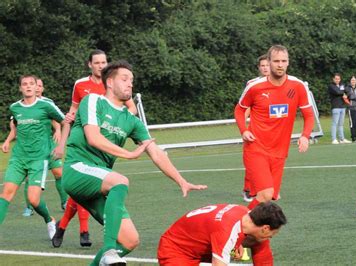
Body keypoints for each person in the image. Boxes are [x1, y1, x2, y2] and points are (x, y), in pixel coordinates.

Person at [57, 60, 207, 265]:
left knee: (130, 240)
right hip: (77, 170)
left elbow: (155, 152)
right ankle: (109, 250)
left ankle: (108, 255)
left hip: (99, 181)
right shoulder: (93, 101)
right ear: (109, 82)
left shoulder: (132, 121)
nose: (130, 84)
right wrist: (128, 154)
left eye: (132, 81)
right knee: (120, 181)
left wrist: (180, 180)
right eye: (124, 79)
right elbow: (93, 137)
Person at [52, 49, 138, 248]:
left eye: (104, 62)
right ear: (89, 65)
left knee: (83, 193)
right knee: (82, 190)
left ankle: (64, 227)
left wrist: (118, 121)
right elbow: (71, 114)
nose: (101, 65)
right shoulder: (81, 85)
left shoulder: (118, 83)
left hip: (104, 150)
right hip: (85, 146)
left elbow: (130, 108)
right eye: (97, 62)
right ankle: (82, 232)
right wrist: (62, 144)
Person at [234, 45, 314, 210]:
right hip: (256, 148)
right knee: (266, 194)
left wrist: (305, 135)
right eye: (276, 61)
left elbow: (309, 114)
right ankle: (239, 224)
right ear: (268, 63)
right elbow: (239, 109)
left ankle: (246, 227)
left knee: (269, 199)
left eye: (283, 61)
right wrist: (244, 130)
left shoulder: (298, 86)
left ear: (288, 63)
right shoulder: (255, 87)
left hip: (279, 152)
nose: (280, 64)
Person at [0, 75, 66, 240]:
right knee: (6, 193)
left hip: (39, 159)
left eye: (32, 84)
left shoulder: (46, 105)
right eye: (24, 84)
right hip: (18, 158)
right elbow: (15, 126)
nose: (28, 86)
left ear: (38, 87)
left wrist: (61, 144)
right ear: (20, 88)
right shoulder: (15, 107)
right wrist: (8, 141)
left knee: (33, 200)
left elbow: (66, 122)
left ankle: (49, 220)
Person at [157, 202, 286, 266]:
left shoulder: (246, 214)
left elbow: (264, 258)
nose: (270, 237)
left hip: (200, 246)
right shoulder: (226, 231)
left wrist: (237, 242)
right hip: (175, 250)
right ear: (265, 228)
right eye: (271, 234)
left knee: (259, 241)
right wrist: (234, 242)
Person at [242, 54, 270, 203]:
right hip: (255, 130)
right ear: (259, 68)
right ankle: (248, 189)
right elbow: (245, 107)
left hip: (272, 132)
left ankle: (267, 189)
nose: (265, 68)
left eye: (267, 65)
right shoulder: (252, 84)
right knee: (253, 161)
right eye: (262, 65)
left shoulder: (280, 83)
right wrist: (244, 128)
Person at [328, 73, 351, 144]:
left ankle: (342, 139)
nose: (337, 80)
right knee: (335, 123)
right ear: (333, 79)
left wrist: (345, 93)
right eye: (336, 79)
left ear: (340, 79)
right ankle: (334, 139)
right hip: (336, 107)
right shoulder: (331, 86)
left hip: (343, 107)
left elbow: (348, 91)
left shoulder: (342, 85)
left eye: (338, 79)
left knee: (341, 124)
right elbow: (337, 92)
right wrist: (343, 93)